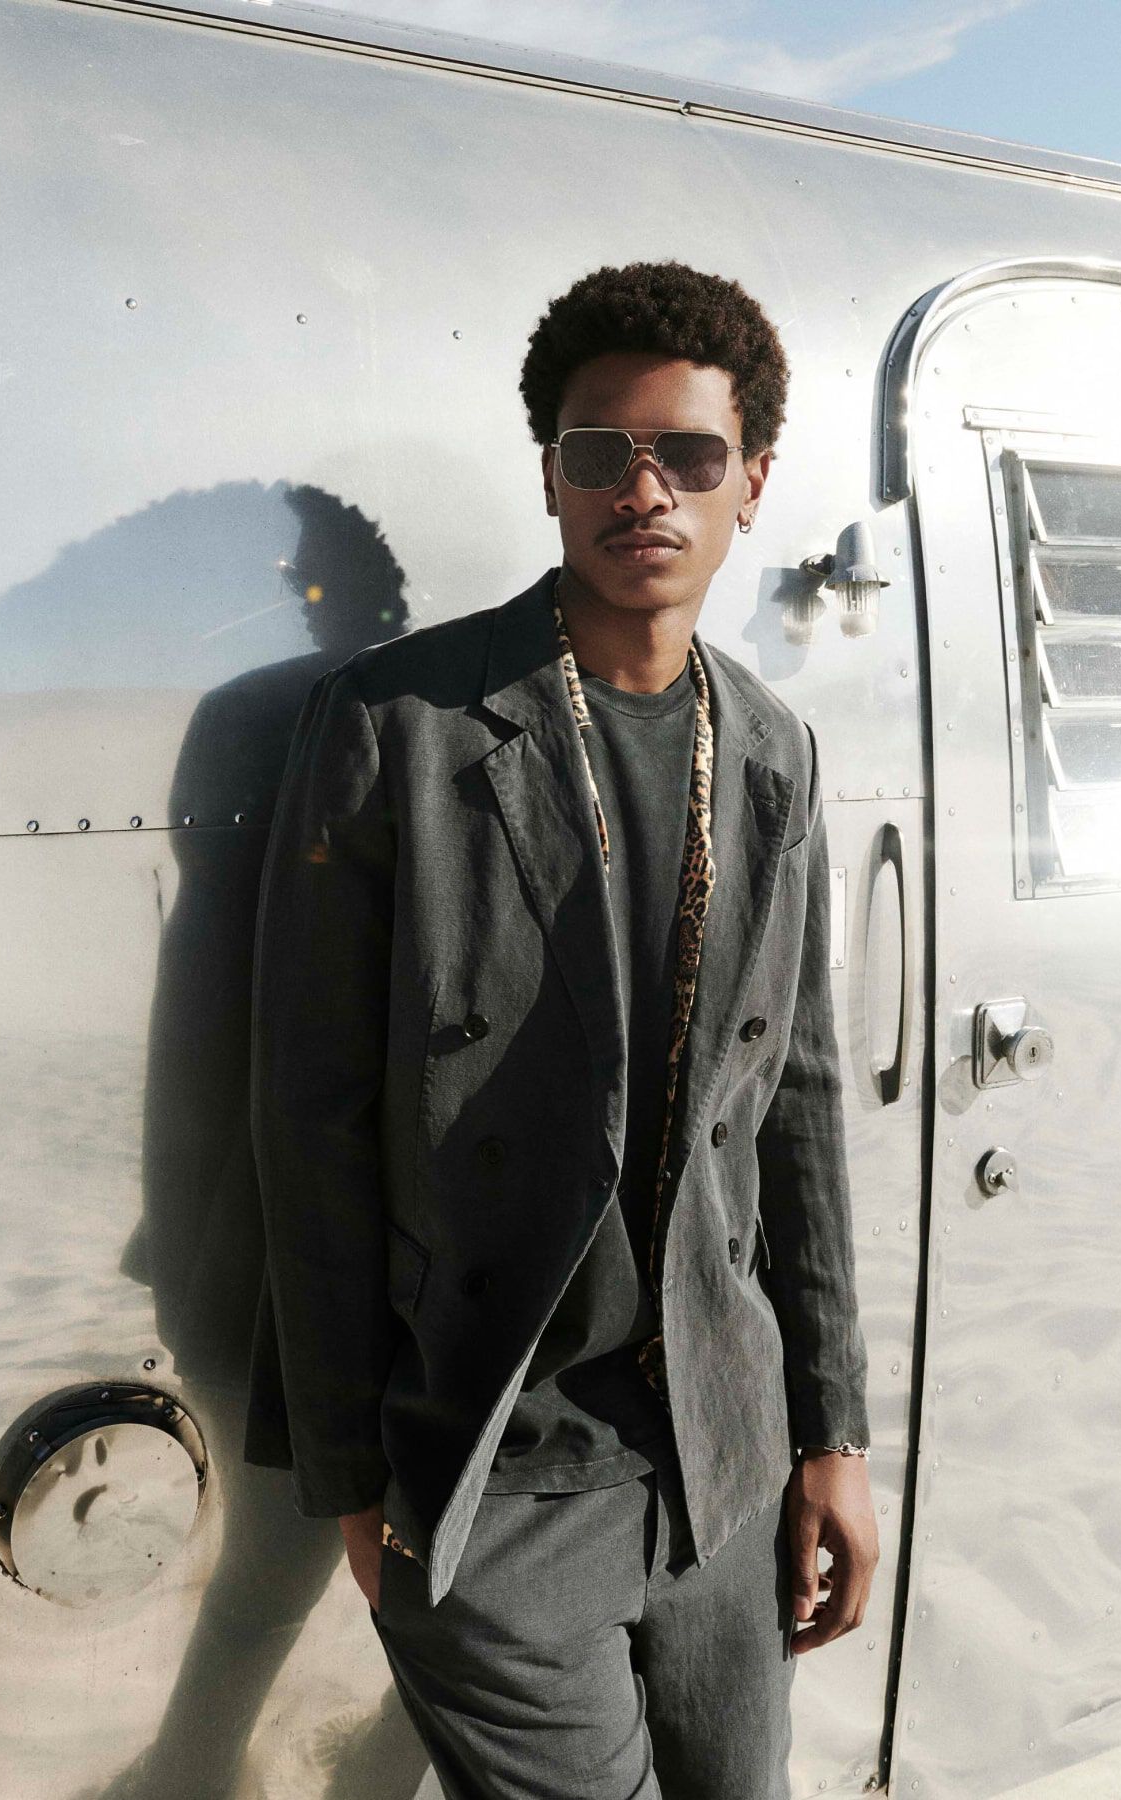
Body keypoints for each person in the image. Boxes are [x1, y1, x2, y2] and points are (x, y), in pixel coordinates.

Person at [245, 258, 878, 1798]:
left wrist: (832, 1436)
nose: (643, 490)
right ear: (551, 473)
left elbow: (790, 1102)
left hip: (716, 1458)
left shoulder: (773, 747)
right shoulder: (402, 725)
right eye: (601, 452)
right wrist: (353, 1475)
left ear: (753, 486)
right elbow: (309, 1115)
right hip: (493, 1460)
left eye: (690, 456)